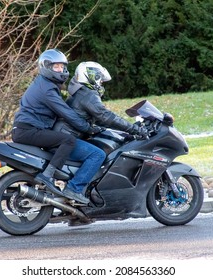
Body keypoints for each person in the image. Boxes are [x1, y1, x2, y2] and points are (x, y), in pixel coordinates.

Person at [12, 49, 106, 204]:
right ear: (46, 67)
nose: (61, 70)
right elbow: (66, 112)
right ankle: (49, 176)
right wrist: (88, 128)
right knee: (68, 140)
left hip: (27, 129)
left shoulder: (45, 84)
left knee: (65, 140)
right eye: (56, 67)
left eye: (62, 67)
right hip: (28, 130)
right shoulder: (47, 89)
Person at [57, 61, 149, 139]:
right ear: (92, 77)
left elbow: (101, 120)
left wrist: (131, 127)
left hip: (66, 133)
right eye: (101, 81)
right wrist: (136, 130)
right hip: (68, 136)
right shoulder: (88, 94)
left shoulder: (80, 91)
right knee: (99, 155)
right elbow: (107, 117)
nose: (101, 84)